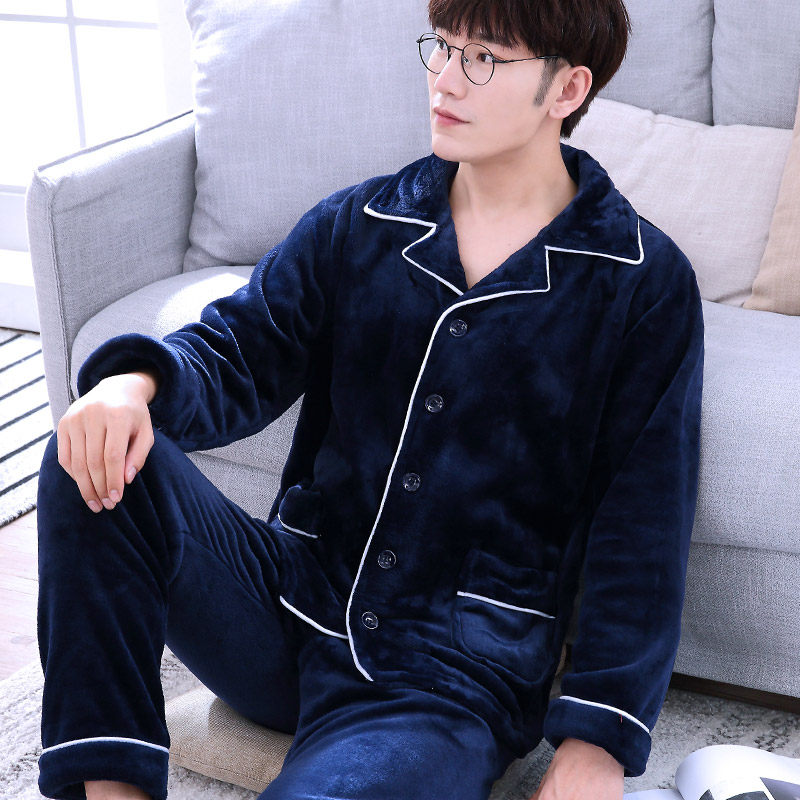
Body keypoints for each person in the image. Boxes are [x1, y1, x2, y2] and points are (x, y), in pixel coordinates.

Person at [36, 1, 705, 799]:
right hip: (289, 608)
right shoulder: (359, 223)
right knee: (91, 450)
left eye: (484, 58)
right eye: (443, 46)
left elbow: (643, 525)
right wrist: (130, 384)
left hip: (448, 679)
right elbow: (237, 351)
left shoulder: (640, 283)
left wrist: (596, 745)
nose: (445, 79)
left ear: (567, 89)